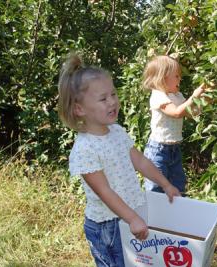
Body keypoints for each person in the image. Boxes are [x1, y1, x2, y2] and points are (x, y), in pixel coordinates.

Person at [57, 53, 180, 267]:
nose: (112, 102)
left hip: (131, 214)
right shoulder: (85, 148)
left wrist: (166, 184)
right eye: (103, 99)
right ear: (79, 109)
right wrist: (131, 218)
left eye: (113, 94)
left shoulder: (116, 131)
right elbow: (104, 191)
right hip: (108, 224)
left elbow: (140, 161)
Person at [142, 55, 207, 195]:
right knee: (156, 187)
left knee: (178, 184)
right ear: (163, 77)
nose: (180, 79)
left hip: (174, 149)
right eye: (176, 76)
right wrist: (194, 97)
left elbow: (189, 112)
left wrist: (206, 100)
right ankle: (153, 215)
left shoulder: (177, 95)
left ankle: (174, 213)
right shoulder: (158, 95)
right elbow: (177, 112)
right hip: (158, 150)